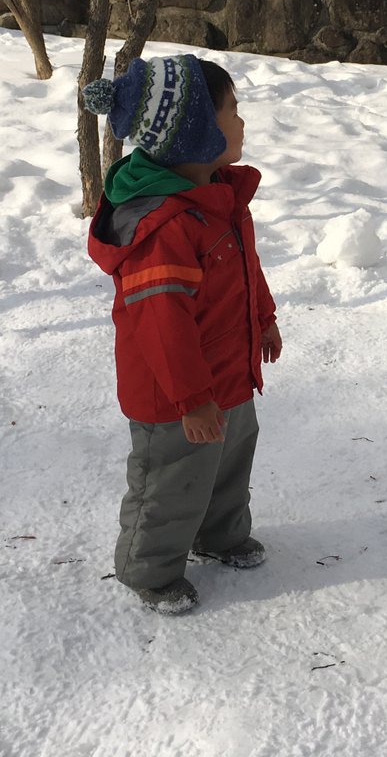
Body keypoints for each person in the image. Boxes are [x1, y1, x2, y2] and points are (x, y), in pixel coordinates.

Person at [84, 54, 282, 615]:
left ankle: (219, 535)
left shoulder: (220, 195)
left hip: (229, 374)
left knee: (228, 459)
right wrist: (191, 400)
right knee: (170, 479)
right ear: (196, 131)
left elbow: (246, 268)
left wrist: (263, 319)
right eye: (232, 112)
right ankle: (149, 567)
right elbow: (162, 324)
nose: (242, 123)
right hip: (174, 395)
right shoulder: (165, 227)